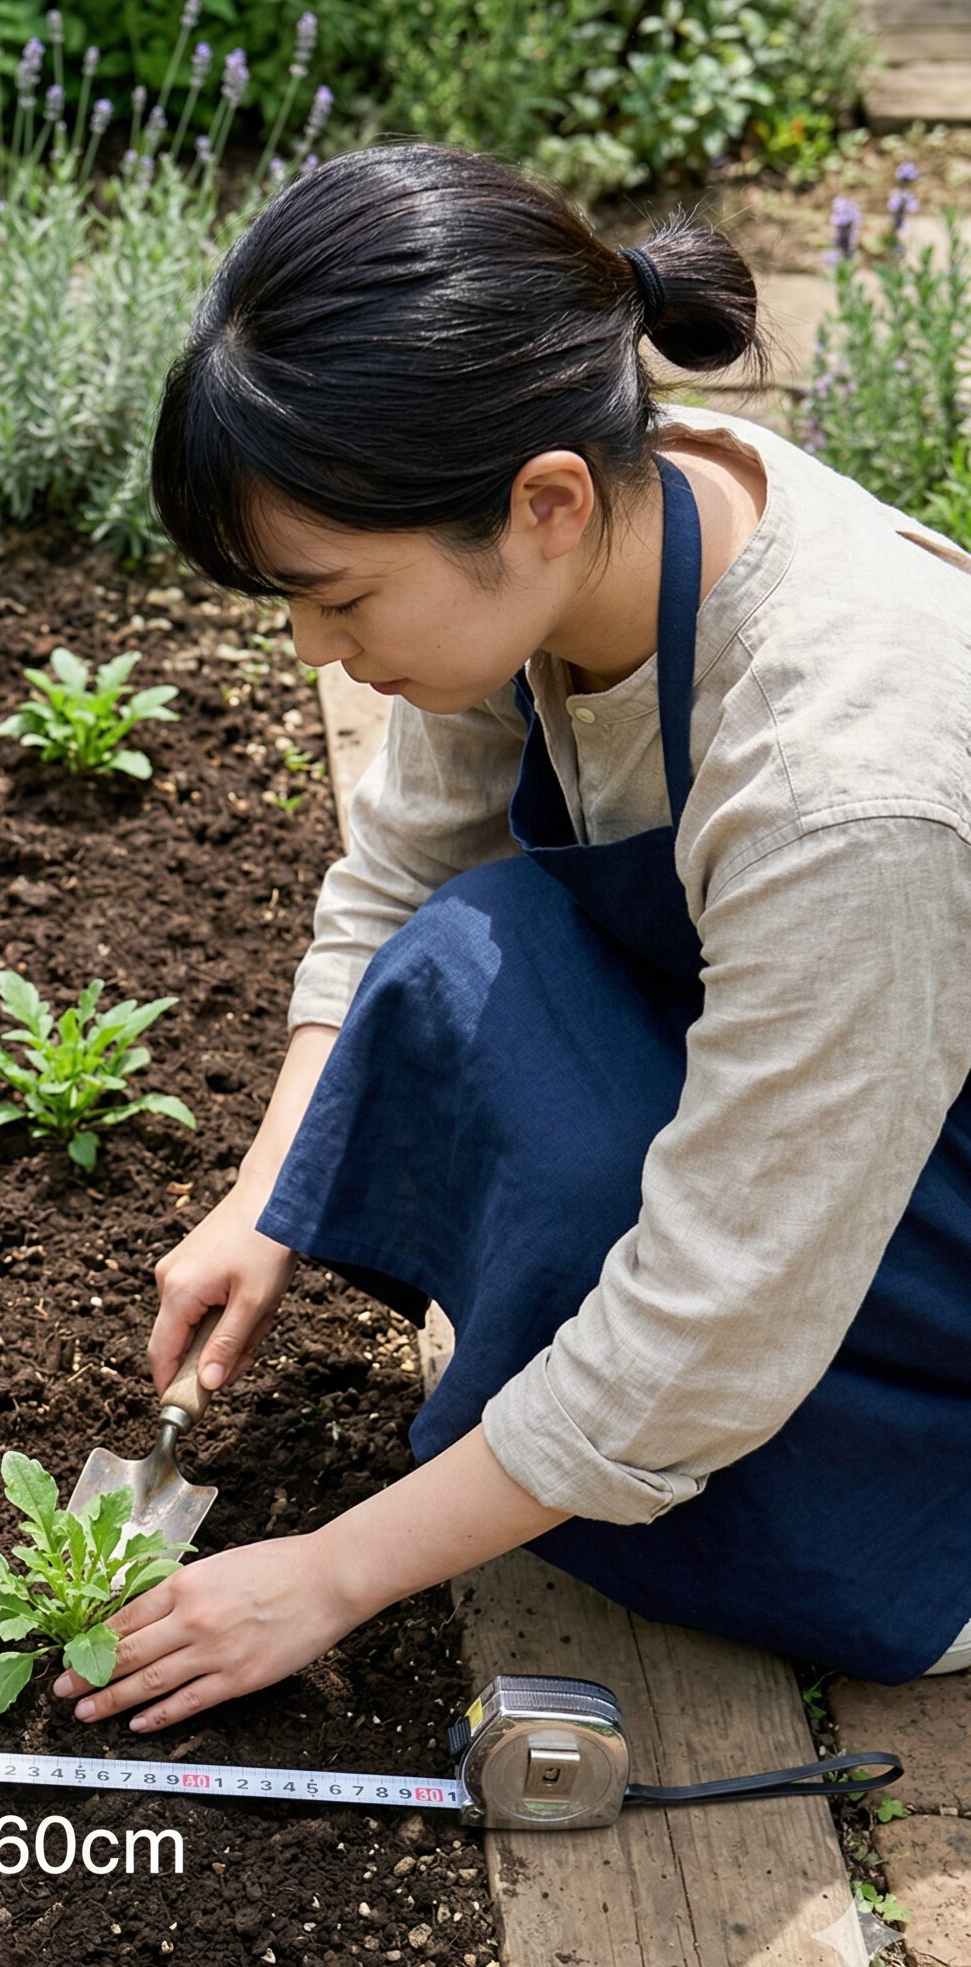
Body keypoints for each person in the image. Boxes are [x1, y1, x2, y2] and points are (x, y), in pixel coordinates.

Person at [51, 142, 971, 1737]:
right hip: (826, 1175)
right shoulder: (601, 524)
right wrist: (267, 1196)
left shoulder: (847, 791)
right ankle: (532, 1414)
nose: (318, 650)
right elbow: (403, 869)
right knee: (470, 944)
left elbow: (717, 1324)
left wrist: (333, 1574)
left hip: (926, 1354)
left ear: (540, 504)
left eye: (337, 597)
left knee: (515, 1015)